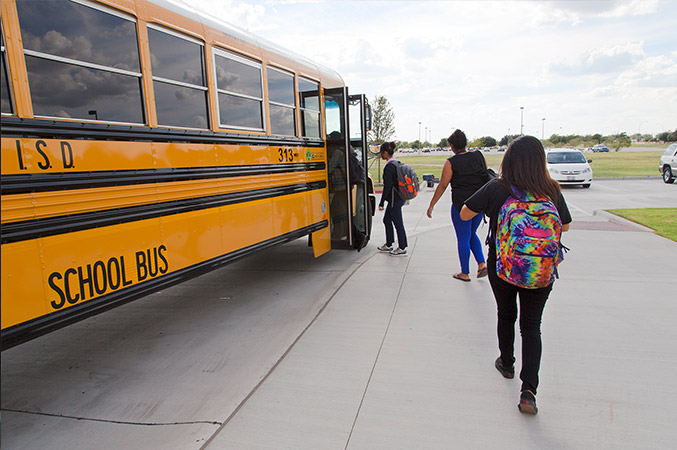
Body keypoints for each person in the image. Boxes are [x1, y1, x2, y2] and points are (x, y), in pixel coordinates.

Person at [461, 135, 572, 415]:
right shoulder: (551, 189)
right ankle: (528, 391)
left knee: (506, 314)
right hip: (541, 271)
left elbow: (464, 214)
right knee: (532, 326)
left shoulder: (497, 188)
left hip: (503, 266)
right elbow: (565, 227)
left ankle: (507, 363)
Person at [426, 129, 488, 282]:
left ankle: (465, 273)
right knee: (471, 234)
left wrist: (432, 204)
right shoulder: (479, 156)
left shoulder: (451, 162)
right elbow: (485, 174)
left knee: (463, 238)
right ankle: (481, 264)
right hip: (479, 204)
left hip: (461, 206)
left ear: (452, 146)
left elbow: (443, 185)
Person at [377, 141, 408, 256]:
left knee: (398, 223)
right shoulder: (396, 163)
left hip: (395, 199)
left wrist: (381, 203)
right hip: (398, 198)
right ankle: (389, 243)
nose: (381, 155)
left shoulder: (389, 167)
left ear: (385, 153)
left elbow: (387, 187)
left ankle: (402, 247)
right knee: (386, 220)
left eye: (381, 152)